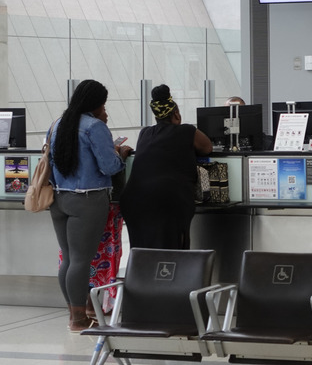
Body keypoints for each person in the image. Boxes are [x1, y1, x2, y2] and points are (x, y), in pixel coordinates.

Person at [48, 79, 132, 332]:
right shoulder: (95, 126)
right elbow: (108, 166)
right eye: (103, 104)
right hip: (87, 199)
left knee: (69, 259)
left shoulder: (58, 124)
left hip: (58, 198)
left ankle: (73, 314)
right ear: (95, 104)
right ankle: (79, 320)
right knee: (82, 261)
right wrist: (121, 155)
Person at [120, 84, 213, 250]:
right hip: (168, 200)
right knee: (173, 252)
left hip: (135, 201)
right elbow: (207, 148)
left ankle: (143, 276)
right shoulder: (187, 131)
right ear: (176, 114)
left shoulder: (145, 133)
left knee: (143, 251)